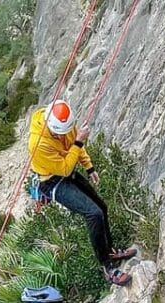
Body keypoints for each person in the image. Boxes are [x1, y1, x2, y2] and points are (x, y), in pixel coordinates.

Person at [28, 99, 136, 286]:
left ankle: (110, 250)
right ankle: (107, 267)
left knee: (101, 207)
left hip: (67, 170)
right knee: (93, 214)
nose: (62, 135)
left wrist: (89, 167)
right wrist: (78, 142)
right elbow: (64, 166)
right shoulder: (37, 143)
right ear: (49, 125)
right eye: (58, 133)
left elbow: (75, 145)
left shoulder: (64, 124)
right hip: (52, 181)